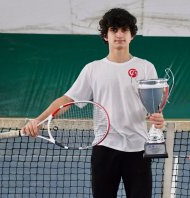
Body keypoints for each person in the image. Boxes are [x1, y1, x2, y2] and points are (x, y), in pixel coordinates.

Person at [22, 8, 164, 198]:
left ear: (132, 35)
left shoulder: (146, 67)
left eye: (124, 30)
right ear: (106, 35)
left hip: (138, 149)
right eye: (114, 30)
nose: (119, 34)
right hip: (104, 149)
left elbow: (152, 107)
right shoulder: (93, 69)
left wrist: (156, 117)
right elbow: (66, 101)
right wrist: (37, 121)